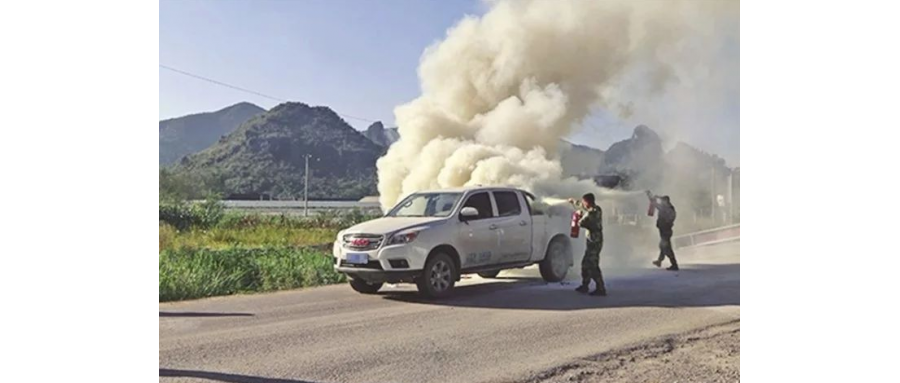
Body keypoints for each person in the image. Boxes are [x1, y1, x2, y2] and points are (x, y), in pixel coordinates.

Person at [568, 193, 607, 296]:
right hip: (592, 242)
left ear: (588, 202)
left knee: (593, 265)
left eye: (584, 202)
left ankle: (601, 288)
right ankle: (585, 285)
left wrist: (579, 215)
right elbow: (583, 206)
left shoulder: (592, 213)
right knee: (585, 264)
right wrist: (574, 202)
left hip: (594, 242)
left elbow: (581, 223)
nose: (583, 204)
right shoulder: (596, 208)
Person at [646, 191, 679, 271]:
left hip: (666, 231)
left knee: (666, 247)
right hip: (665, 230)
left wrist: (650, 195)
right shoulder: (667, 208)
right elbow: (655, 203)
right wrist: (652, 196)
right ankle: (659, 261)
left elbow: (656, 204)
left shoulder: (667, 209)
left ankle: (674, 265)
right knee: (663, 246)